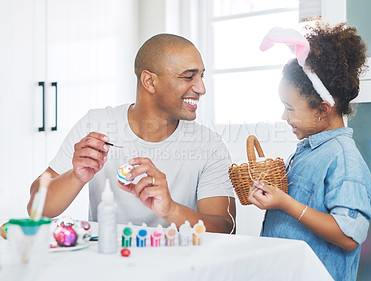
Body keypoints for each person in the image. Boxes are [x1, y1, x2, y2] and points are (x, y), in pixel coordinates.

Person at [27, 34, 236, 233]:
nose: (201, 88)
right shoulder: (96, 124)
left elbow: (226, 228)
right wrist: (76, 176)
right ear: (149, 81)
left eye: (201, 76)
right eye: (189, 76)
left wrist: (170, 209)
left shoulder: (210, 145)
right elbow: (37, 209)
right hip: (109, 262)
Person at [248, 23, 371, 281]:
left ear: (323, 109)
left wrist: (285, 203)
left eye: (290, 108)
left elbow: (349, 236)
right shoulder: (307, 151)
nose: (284, 116)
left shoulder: (344, 159)